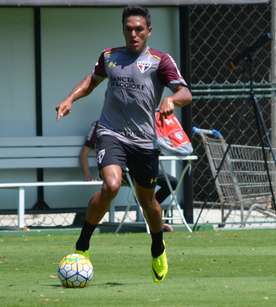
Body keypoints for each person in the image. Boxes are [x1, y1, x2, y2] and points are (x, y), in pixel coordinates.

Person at [55, 5, 193, 283]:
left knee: (148, 202)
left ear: (148, 31)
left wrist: (171, 99)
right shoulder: (110, 57)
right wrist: (70, 98)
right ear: (123, 30)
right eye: (128, 29)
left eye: (139, 29)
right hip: (111, 132)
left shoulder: (160, 60)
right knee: (112, 185)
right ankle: (82, 245)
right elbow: (92, 81)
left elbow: (185, 92)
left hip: (143, 141)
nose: (134, 34)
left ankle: (157, 247)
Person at [79, 120, 178, 206]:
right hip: (121, 170)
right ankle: (147, 210)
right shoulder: (100, 125)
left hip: (139, 166)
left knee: (172, 182)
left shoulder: (134, 123)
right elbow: (84, 153)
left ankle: (149, 211)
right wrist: (88, 175)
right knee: (142, 182)